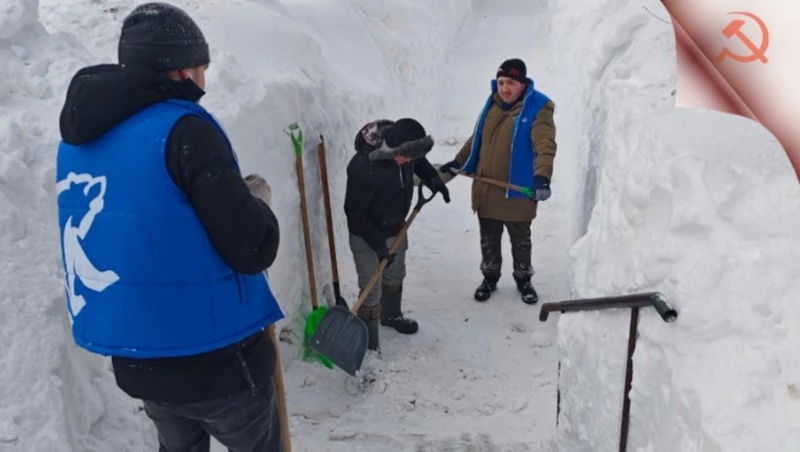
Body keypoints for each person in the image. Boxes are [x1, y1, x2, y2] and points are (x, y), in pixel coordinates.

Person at [55, 3, 285, 451]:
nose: (204, 80)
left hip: (141, 363)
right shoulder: (186, 132)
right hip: (216, 363)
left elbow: (150, 218)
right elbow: (252, 248)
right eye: (201, 67)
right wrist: (257, 204)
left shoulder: (78, 139)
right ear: (179, 71)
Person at [439, 58, 557, 305]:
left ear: (523, 84)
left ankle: (523, 278)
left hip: (517, 190)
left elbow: (544, 144)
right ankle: (490, 276)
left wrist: (542, 177)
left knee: (520, 240)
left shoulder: (538, 108)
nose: (504, 88)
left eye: (511, 83)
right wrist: (458, 161)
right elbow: (477, 139)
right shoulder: (492, 104)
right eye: (501, 82)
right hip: (487, 188)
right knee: (489, 238)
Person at [344, 118, 450, 351]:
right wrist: (378, 245)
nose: (409, 161)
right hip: (366, 235)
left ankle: (390, 316)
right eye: (406, 157)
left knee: (395, 274)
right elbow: (354, 214)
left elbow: (417, 159)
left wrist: (432, 176)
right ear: (392, 149)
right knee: (371, 289)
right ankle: (369, 345)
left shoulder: (405, 152)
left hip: (395, 227)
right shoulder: (363, 167)